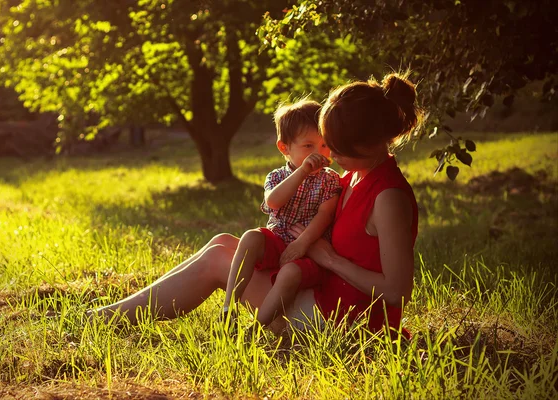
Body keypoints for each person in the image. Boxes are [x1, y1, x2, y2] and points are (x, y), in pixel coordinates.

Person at [87, 72, 421, 338]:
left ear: (370, 142)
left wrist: (329, 258)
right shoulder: (355, 176)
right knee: (223, 243)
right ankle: (113, 313)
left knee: (221, 259)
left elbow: (396, 291)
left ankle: (104, 319)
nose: (330, 156)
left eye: (338, 148)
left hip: (342, 319)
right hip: (319, 292)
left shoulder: (387, 197)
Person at [222, 99, 340, 329]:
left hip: (309, 251)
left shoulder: (330, 179)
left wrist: (302, 244)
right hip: (277, 240)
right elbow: (274, 201)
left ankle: (256, 329)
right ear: (284, 148)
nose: (318, 153)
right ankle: (228, 308)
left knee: (290, 273)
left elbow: (325, 215)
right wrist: (303, 172)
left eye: (324, 145)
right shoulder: (276, 177)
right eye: (308, 146)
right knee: (250, 237)